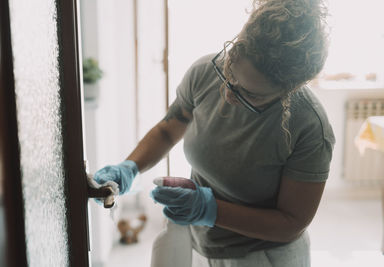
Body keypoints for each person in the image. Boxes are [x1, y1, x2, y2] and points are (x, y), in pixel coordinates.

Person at [93, 0, 335, 266]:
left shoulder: (309, 127)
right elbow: (167, 130)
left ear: (288, 90)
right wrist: (130, 167)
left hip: (263, 257)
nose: (229, 93)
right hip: (200, 243)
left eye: (250, 94)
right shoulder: (205, 73)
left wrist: (209, 208)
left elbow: (291, 223)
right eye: (229, 72)